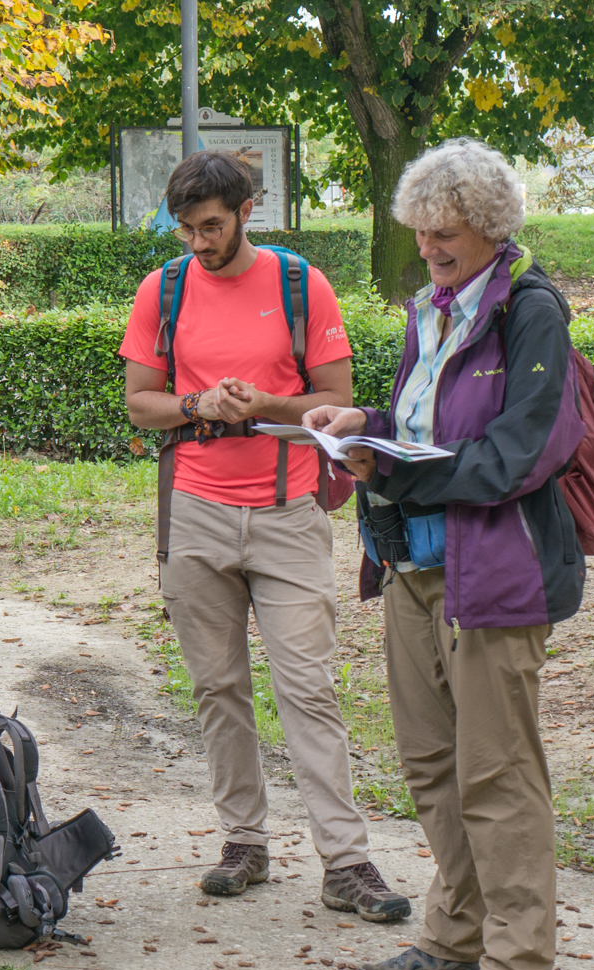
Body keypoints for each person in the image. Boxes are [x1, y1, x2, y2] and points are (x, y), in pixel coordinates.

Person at [304, 138, 586, 970]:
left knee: (497, 773)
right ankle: (454, 936)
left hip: (493, 576)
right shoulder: (427, 312)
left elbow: (525, 449)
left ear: (490, 226)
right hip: (411, 566)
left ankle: (516, 968)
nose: (430, 247)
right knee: (432, 766)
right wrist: (365, 425)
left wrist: (401, 473)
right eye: (421, 232)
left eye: (447, 232)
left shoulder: (528, 311)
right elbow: (423, 422)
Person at [119, 149, 408, 923]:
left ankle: (345, 862)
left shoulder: (296, 282)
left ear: (247, 210)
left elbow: (337, 400)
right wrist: (198, 403)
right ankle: (242, 842)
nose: (197, 243)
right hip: (195, 511)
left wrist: (263, 405)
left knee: (307, 689)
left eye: (209, 225)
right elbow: (139, 404)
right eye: (184, 229)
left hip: (287, 514)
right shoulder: (164, 289)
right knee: (218, 688)